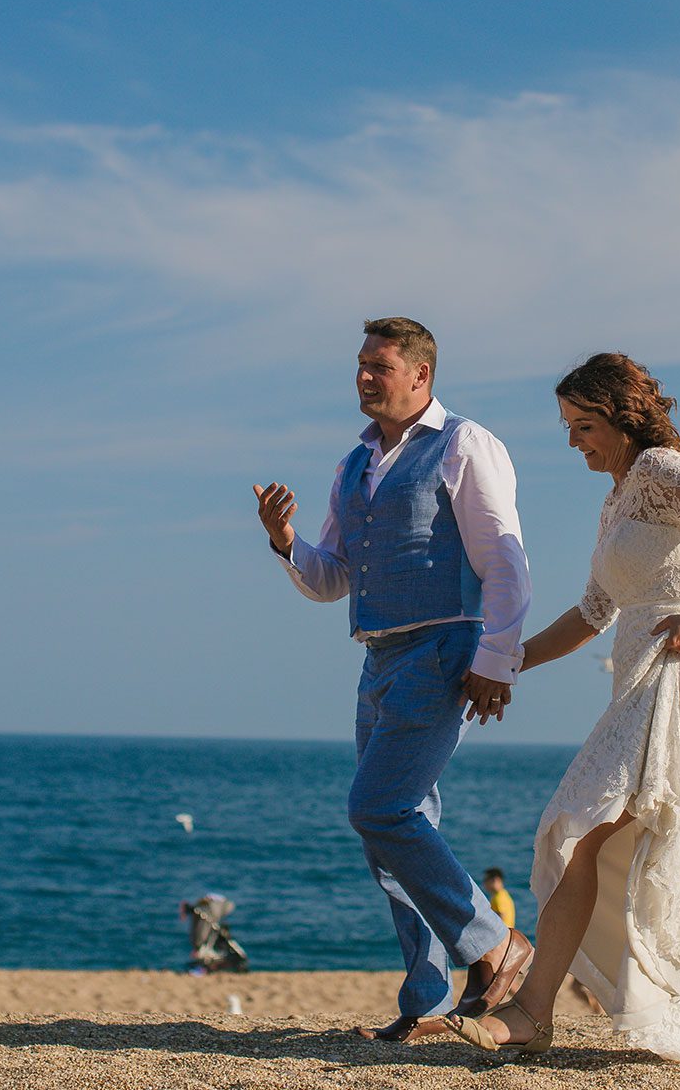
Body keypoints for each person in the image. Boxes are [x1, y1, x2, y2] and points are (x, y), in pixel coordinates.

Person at [443, 353, 680, 1066]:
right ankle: (551, 1010)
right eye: (568, 427)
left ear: (623, 417)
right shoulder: (617, 499)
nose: (574, 442)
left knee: (579, 828)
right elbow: (594, 612)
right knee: (602, 840)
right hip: (636, 682)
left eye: (585, 425)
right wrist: (503, 664)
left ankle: (532, 1012)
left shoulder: (660, 470)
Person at [254, 317, 534, 1043]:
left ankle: (499, 945)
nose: (364, 377)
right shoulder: (353, 466)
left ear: (421, 374)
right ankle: (430, 1004)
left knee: (379, 809)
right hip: (377, 656)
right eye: (360, 364)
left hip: (444, 648)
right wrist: (285, 543)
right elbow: (334, 579)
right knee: (394, 839)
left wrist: (495, 661)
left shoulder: (464, 444)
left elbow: (503, 561)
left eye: (379, 365)